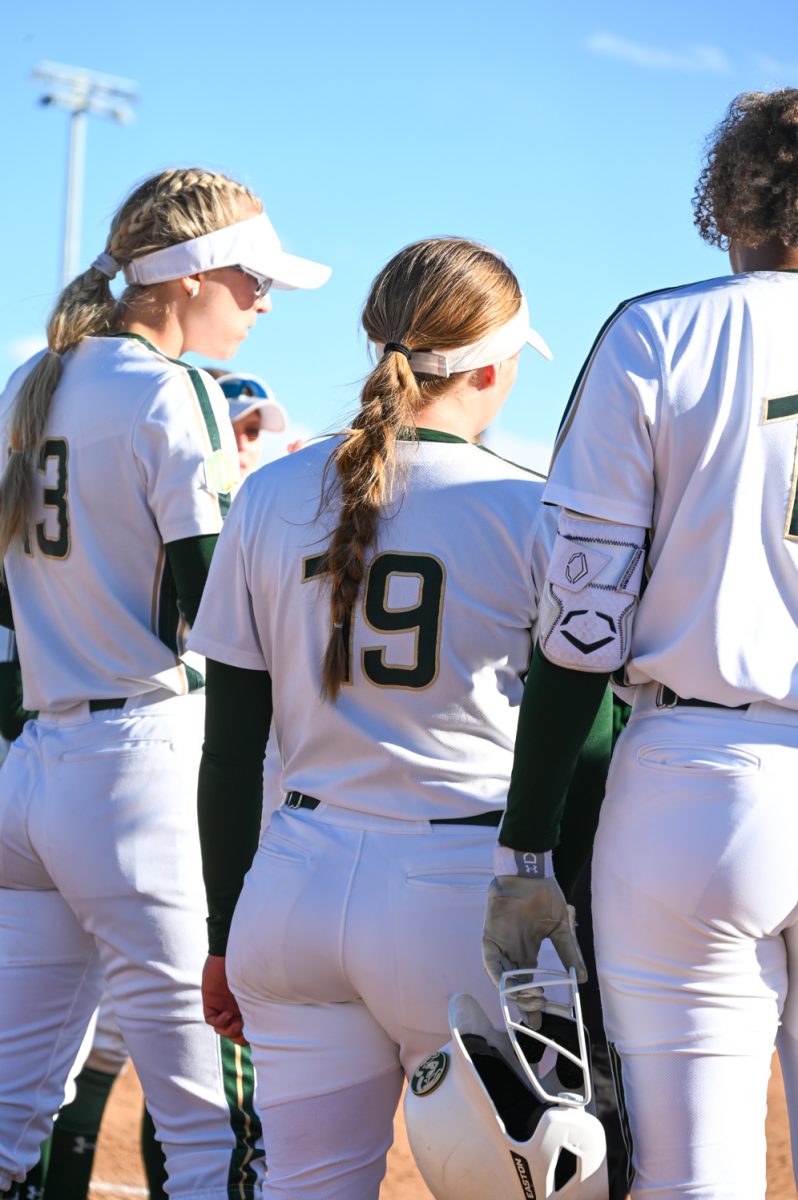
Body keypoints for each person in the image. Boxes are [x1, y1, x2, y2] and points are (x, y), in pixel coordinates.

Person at [188, 235, 612, 1198]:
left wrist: (223, 927)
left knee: (307, 1185)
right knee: (534, 1186)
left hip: (292, 882)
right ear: (495, 364)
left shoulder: (269, 493)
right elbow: (584, 743)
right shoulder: (534, 509)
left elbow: (228, 751)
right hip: (463, 894)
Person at [482, 88, 798, 1199]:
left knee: (692, 1179)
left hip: (700, 776)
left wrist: (528, 843)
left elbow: (579, 627)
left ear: (734, 197)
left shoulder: (661, 330)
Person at [0, 165, 330, 1198]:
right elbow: (215, 613)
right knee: (217, 1136)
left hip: (38, 764)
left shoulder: (33, 379)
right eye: (252, 279)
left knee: (9, 1118)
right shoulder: (168, 387)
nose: (264, 303)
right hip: (138, 766)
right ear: (188, 278)